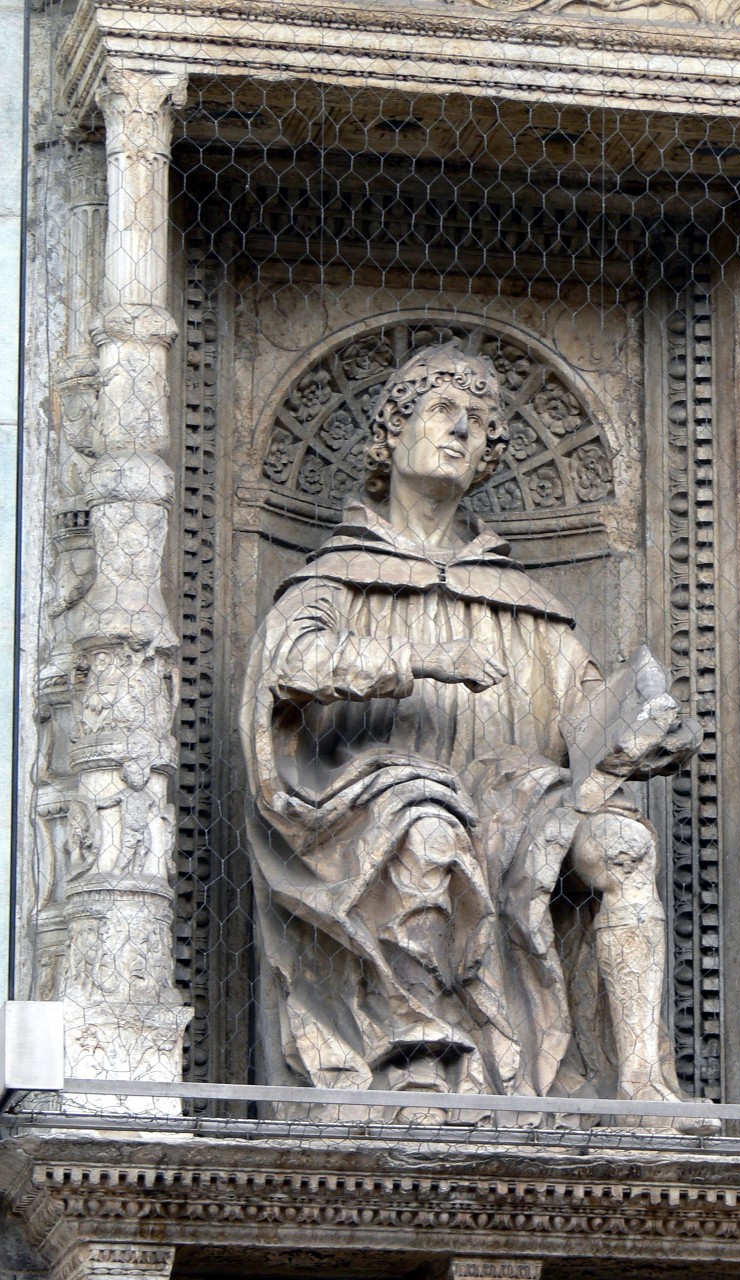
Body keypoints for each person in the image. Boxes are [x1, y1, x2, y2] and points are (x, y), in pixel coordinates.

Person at [242, 342, 713, 1127]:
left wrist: (647, 732)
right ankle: (418, 1067)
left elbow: (583, 711)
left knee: (623, 845)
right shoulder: (337, 573)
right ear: (390, 435)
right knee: (428, 829)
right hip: (374, 805)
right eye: (441, 411)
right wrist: (414, 660)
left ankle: (641, 1083)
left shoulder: (519, 594)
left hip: (510, 805)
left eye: (478, 421)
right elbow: (289, 662)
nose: (462, 430)